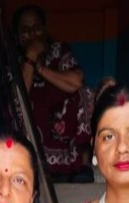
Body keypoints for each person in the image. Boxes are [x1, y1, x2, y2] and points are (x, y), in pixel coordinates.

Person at [14, 4, 93, 181]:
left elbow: (76, 82)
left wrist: (41, 69)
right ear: (18, 37)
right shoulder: (15, 60)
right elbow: (19, 97)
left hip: (61, 114)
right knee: (23, 108)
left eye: (36, 27)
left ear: (44, 30)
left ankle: (82, 165)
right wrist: (30, 57)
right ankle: (35, 166)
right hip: (35, 116)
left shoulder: (58, 50)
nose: (32, 33)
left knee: (85, 94)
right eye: (25, 29)